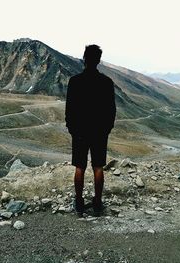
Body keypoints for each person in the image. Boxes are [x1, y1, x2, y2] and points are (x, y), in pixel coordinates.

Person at [65, 45, 116, 216]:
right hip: (99, 132)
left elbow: (69, 109)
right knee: (98, 167)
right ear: (99, 60)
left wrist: (71, 128)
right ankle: (97, 203)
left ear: (84, 58)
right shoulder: (107, 83)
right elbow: (111, 110)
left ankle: (79, 202)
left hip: (79, 131)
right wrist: (107, 128)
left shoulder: (75, 81)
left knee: (79, 167)